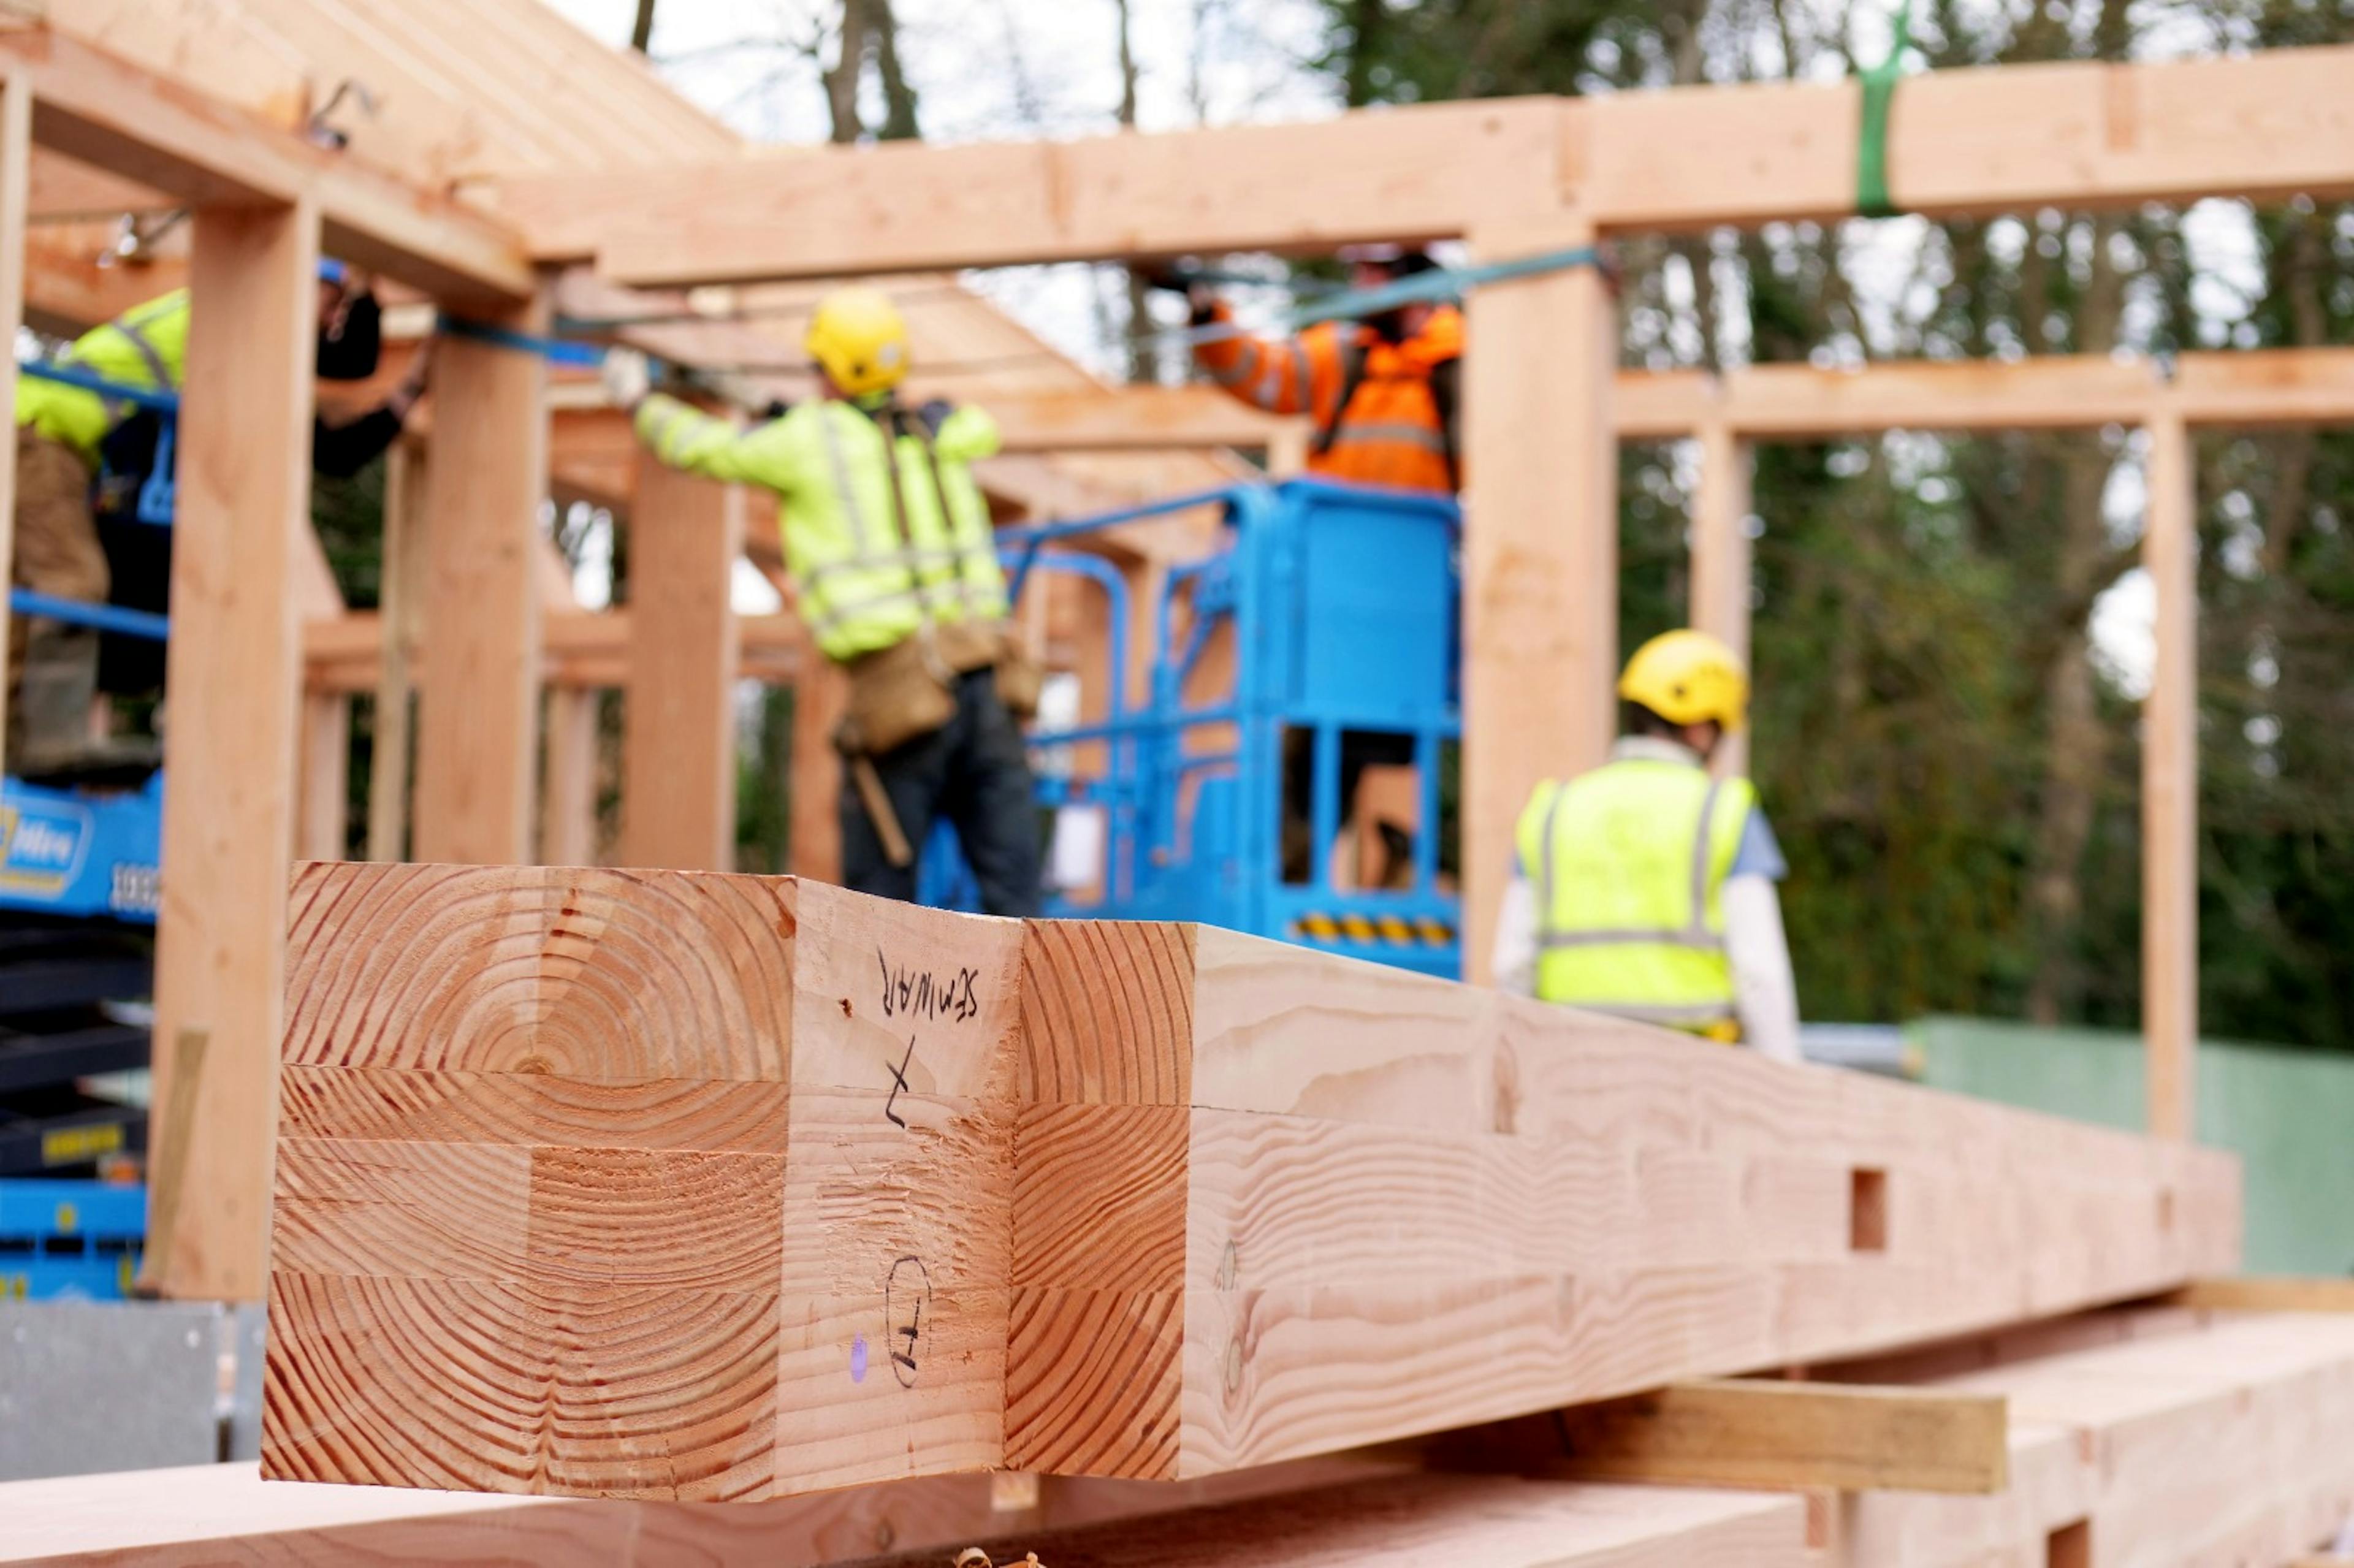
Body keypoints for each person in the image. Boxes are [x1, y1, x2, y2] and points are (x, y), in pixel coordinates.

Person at [606, 286, 1043, 916]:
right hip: (990, 686)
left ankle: (879, 1016)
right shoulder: (938, 432)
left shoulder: (808, 441)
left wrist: (639, 401)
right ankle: (1042, 1013)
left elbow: (705, 448)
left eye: (820, 366)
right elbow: (978, 427)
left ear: (833, 370)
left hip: (903, 699)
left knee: (879, 907)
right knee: (1015, 889)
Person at [6, 262, 429, 771]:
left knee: (36, 597)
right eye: (331, 303)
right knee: (72, 585)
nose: (331, 319)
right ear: (298, 283)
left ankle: (20, 743)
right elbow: (348, 364)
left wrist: (403, 376)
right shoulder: (243, 314)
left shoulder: (226, 323)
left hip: (46, 437)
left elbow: (333, 431)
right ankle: (44, 750)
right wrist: (368, 293)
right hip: (41, 437)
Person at [1490, 630, 1801, 1062]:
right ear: (1698, 728)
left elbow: (1512, 966)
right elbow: (1759, 974)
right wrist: (1783, 1077)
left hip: (1569, 1063)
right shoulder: (1723, 812)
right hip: (1694, 1070)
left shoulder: (1554, 810)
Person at [1151, 245, 1464, 494]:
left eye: (1371, 272)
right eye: (1358, 272)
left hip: (1425, 543)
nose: (1358, 285)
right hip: (1334, 541)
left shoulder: (1463, 358)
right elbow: (1259, 372)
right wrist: (1207, 312)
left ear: (1411, 276)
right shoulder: (1342, 352)